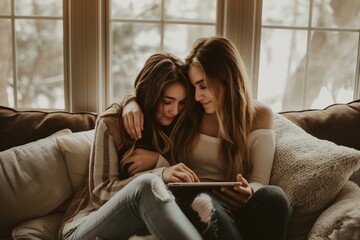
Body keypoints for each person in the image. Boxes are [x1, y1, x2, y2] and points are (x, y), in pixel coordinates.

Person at [122, 36, 292, 240]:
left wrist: (248, 192)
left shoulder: (259, 115)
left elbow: (259, 181)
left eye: (203, 86)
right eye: (194, 87)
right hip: (192, 205)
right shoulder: (190, 110)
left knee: (275, 197)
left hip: (238, 211)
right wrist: (129, 101)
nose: (196, 96)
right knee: (205, 202)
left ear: (226, 77)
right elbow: (153, 94)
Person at [58, 53, 203, 240]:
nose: (174, 111)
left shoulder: (179, 125)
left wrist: (159, 161)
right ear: (151, 95)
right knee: (146, 185)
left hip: (139, 228)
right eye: (167, 101)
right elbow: (99, 194)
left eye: (182, 103)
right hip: (85, 227)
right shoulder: (112, 124)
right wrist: (160, 173)